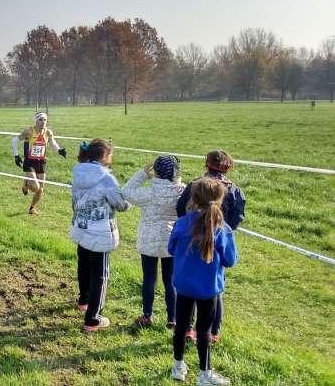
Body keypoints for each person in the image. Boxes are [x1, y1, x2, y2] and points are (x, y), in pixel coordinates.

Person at [169, 177, 237, 385]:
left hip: (183, 285)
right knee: (204, 331)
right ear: (219, 200)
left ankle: (178, 366)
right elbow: (230, 260)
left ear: (193, 198)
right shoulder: (222, 229)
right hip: (208, 288)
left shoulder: (181, 224)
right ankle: (204, 374)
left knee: (181, 326)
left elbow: (171, 249)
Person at [176, 150, 246, 343]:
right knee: (215, 287)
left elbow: (181, 208)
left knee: (188, 286)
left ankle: (188, 329)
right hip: (217, 244)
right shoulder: (235, 190)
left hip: (191, 240)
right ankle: (212, 332)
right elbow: (237, 217)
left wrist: (190, 227)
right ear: (228, 166)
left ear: (206, 164)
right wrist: (223, 233)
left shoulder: (195, 185)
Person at [69, 139, 130, 332]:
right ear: (104, 156)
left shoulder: (79, 171)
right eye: (111, 155)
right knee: (100, 275)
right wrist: (128, 202)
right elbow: (121, 204)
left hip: (81, 226)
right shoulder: (106, 178)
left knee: (84, 265)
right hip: (100, 233)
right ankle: (93, 318)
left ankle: (84, 301)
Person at [122, 155, 185, 329]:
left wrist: (143, 174)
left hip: (149, 240)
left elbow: (126, 192)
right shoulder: (181, 191)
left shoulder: (149, 192)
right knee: (170, 280)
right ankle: (172, 318)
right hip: (171, 240)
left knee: (149, 278)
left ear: (155, 171)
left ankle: (147, 315)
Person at [11, 112, 67, 214]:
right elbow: (14, 140)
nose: (43, 122)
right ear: (36, 121)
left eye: (45, 120)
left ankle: (32, 208)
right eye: (40, 120)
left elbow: (52, 142)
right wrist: (16, 155)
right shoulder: (29, 131)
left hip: (41, 161)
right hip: (30, 161)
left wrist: (59, 150)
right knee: (36, 187)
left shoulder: (48, 132)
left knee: (40, 189)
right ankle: (27, 183)